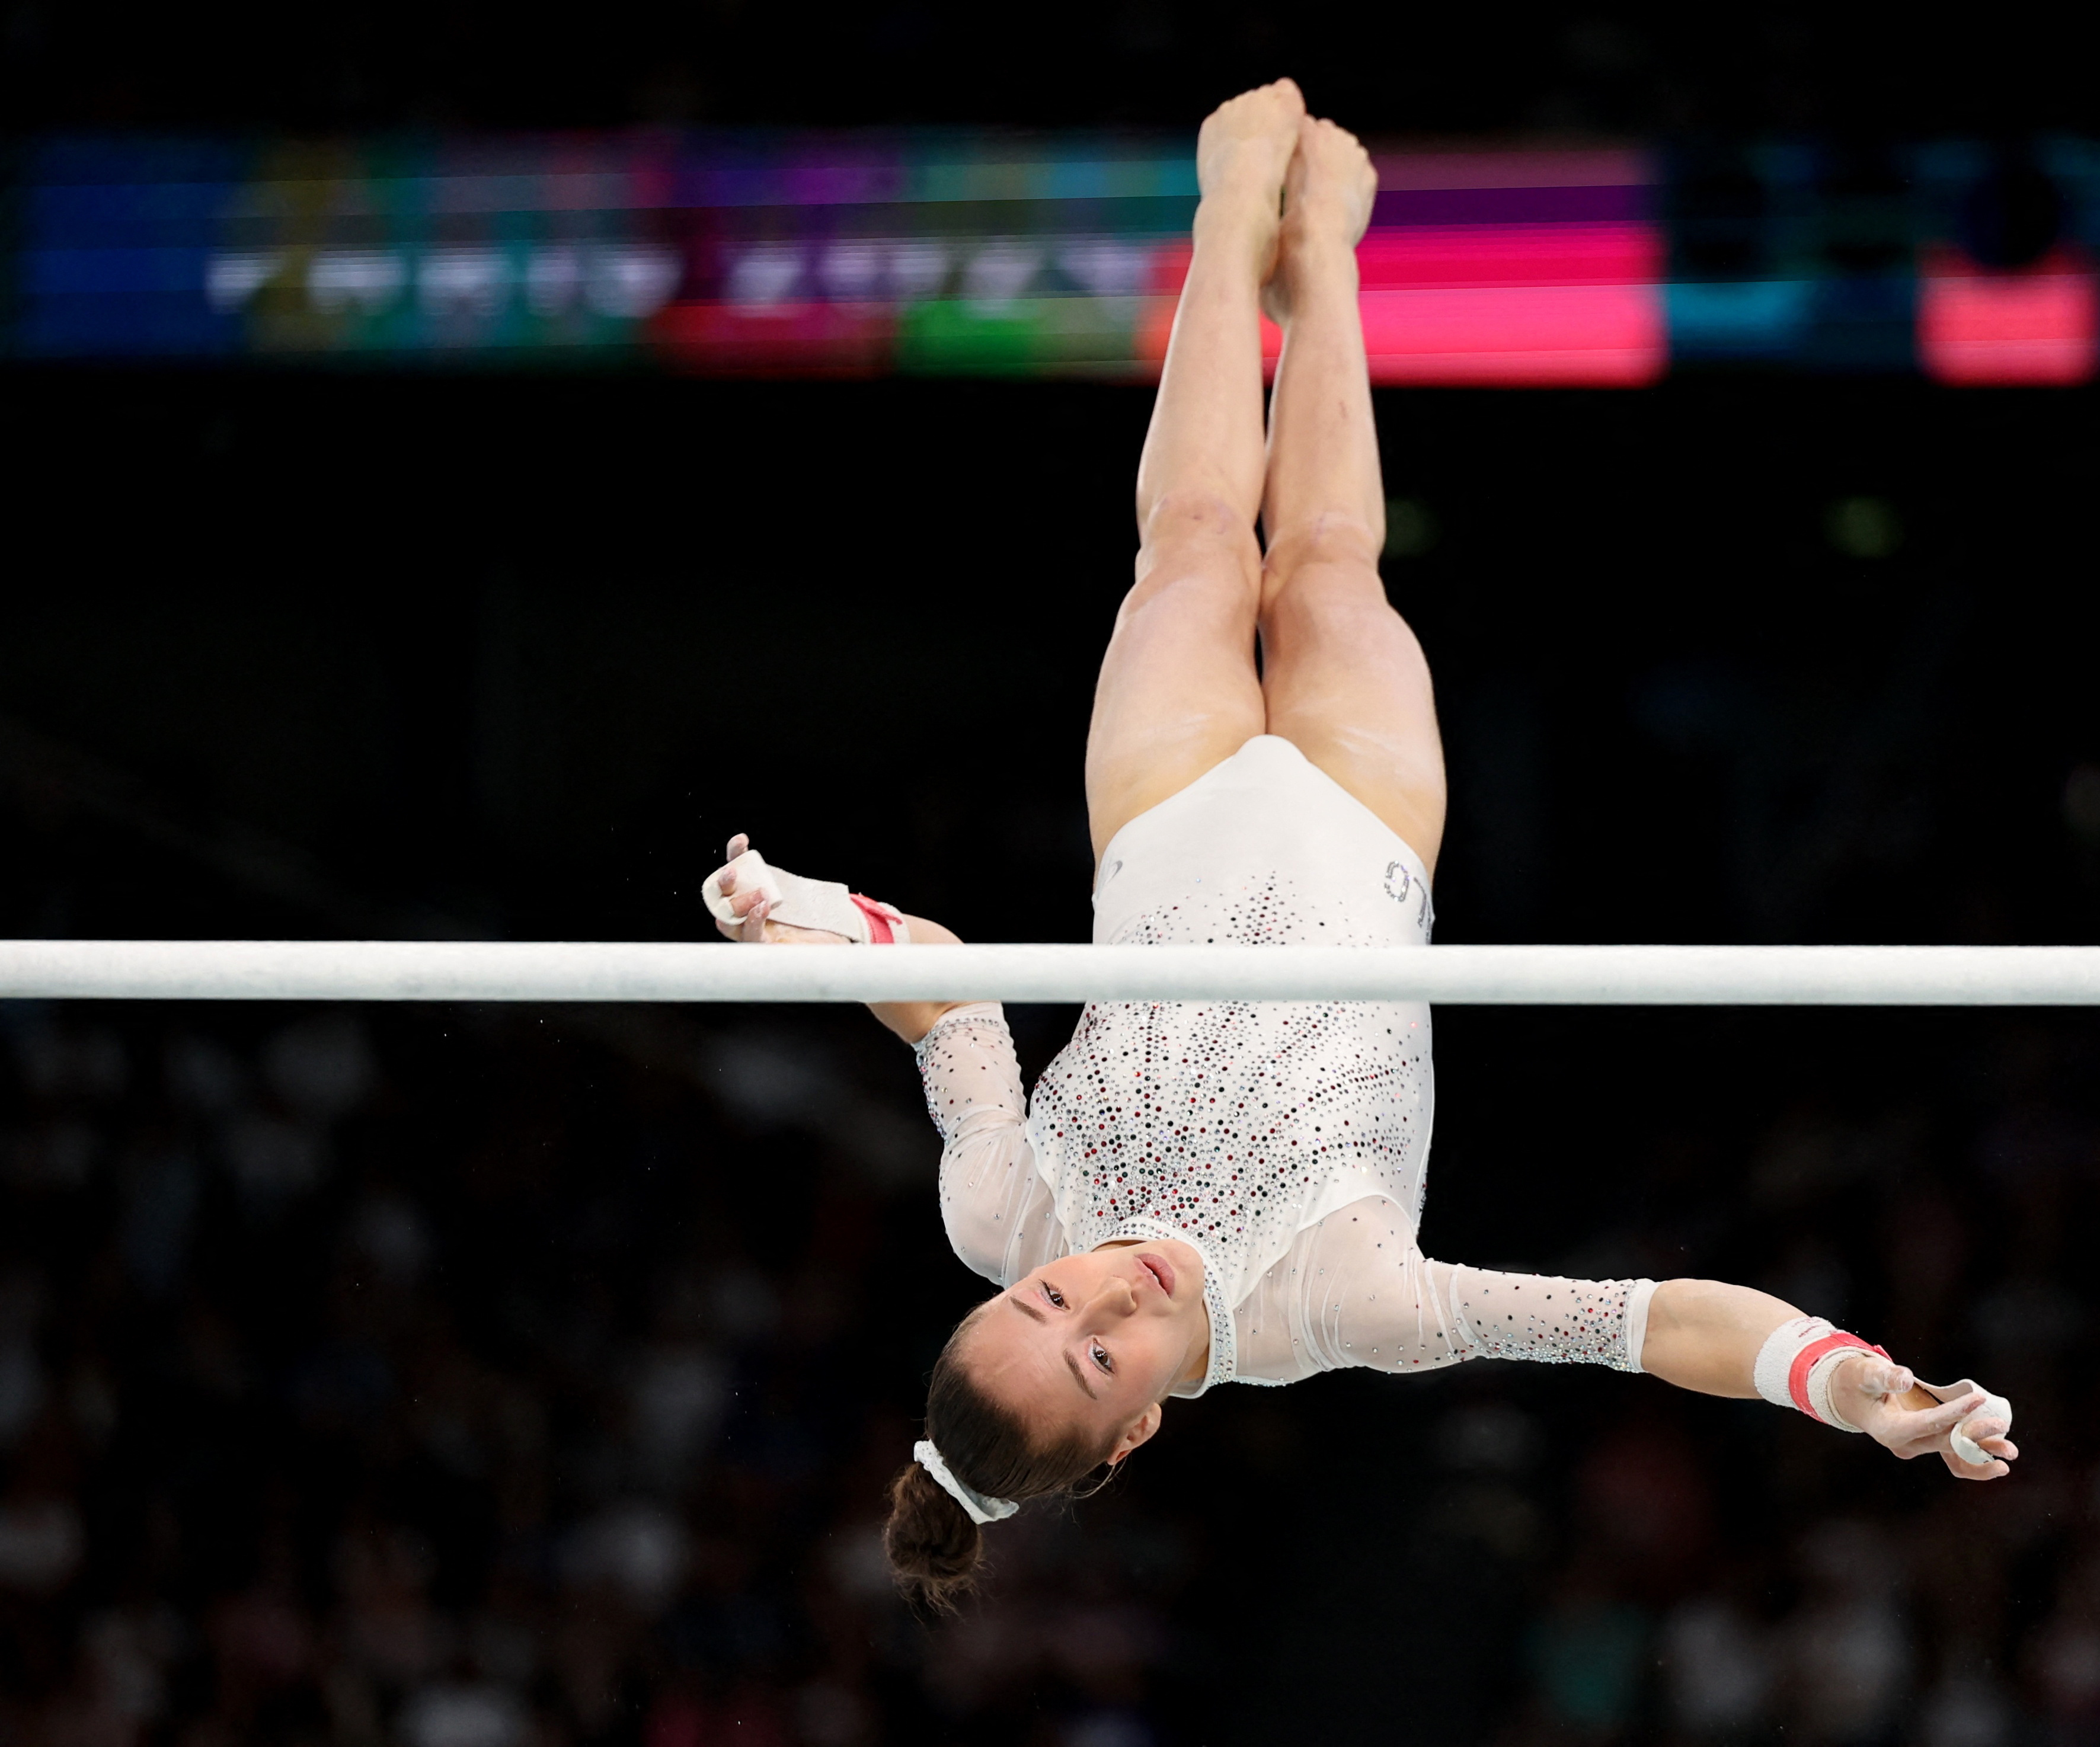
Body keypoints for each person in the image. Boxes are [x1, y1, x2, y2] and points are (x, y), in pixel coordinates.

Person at [701, 81, 2018, 1608]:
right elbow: (1650, 1325)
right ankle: (1322, 250)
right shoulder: (1346, 1306)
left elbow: (947, 987)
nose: (1100, 1287)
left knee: (1194, 544)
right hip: (1359, 824)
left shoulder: (998, 1211)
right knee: (1328, 563)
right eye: (1103, 1347)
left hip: (1165, 812)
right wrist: (1857, 1389)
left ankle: (1223, 218)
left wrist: (804, 924)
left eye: (1049, 1298)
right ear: (1132, 1434)